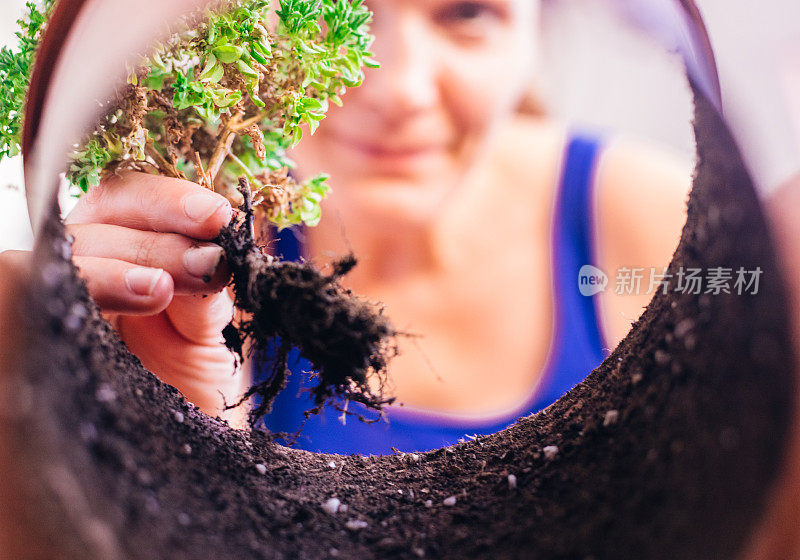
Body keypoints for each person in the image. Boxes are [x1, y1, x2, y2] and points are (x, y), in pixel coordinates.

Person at [2, 0, 691, 453]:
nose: (397, 91)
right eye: (337, 11)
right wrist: (162, 425)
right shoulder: (200, 259)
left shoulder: (647, 220)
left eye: (468, 11)